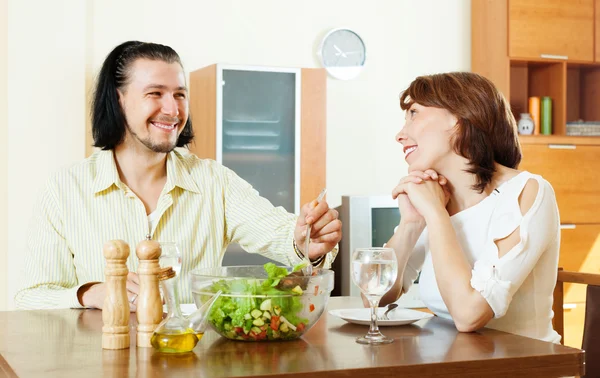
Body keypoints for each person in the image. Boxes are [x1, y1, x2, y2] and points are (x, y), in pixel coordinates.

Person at [15, 41, 341, 310]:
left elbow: (284, 236)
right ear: (119, 98)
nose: (173, 110)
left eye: (180, 94)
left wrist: (306, 241)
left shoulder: (214, 181)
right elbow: (31, 298)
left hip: (192, 362)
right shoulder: (64, 189)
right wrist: (91, 294)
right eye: (155, 93)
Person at [380, 72, 560, 343]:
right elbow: (378, 295)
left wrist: (436, 214)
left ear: (458, 117)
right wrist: (411, 224)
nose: (399, 135)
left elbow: (469, 315)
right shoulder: (436, 199)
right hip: (453, 364)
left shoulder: (527, 192)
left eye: (414, 113)